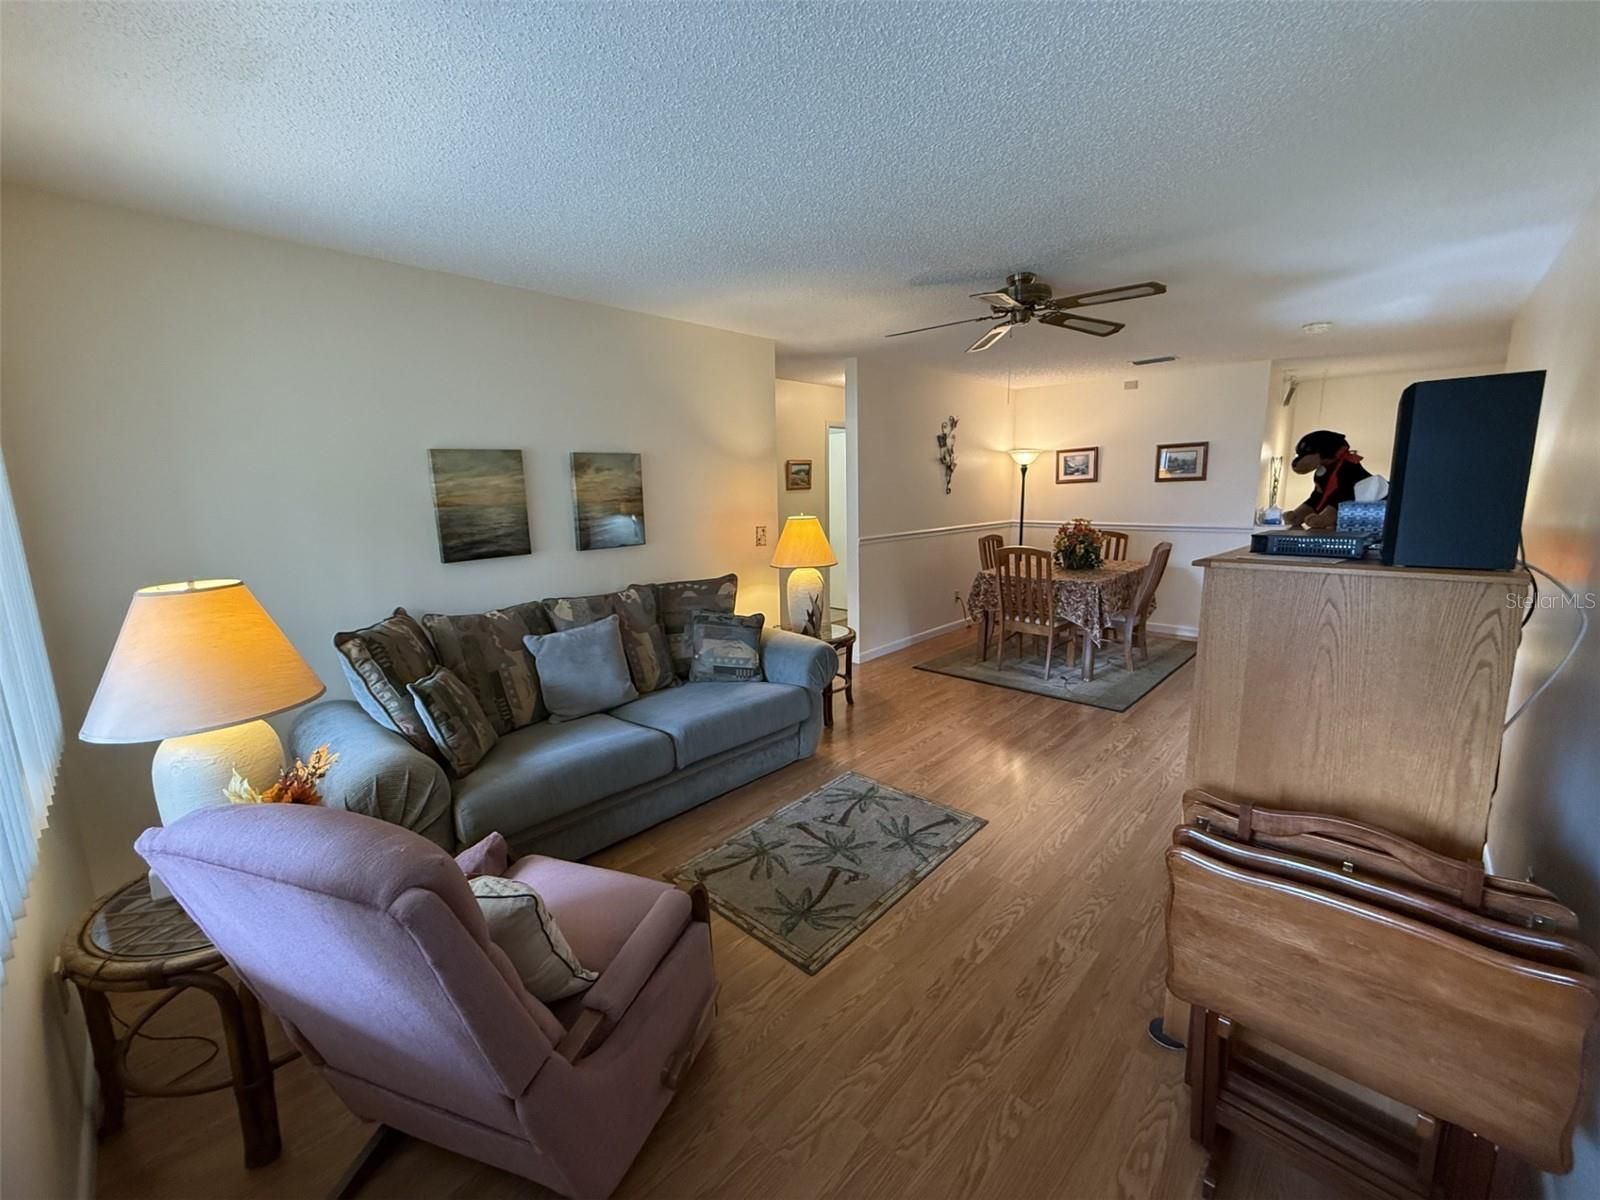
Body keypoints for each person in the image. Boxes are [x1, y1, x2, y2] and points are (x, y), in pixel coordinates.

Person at [1281, 430, 1372, 530]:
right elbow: (1317, 496)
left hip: (1360, 519)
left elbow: (1345, 496)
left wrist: (1324, 518)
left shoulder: (1349, 468)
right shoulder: (1323, 471)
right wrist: (1298, 515)